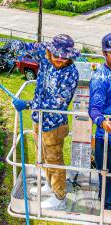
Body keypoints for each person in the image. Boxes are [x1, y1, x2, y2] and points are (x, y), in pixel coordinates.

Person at [12, 34, 80, 210]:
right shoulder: (45, 54)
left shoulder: (70, 74)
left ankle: (60, 198)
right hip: (38, 119)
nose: (59, 59)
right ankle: (49, 185)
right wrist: (17, 44)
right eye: (56, 54)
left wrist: (27, 104)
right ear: (50, 51)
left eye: (64, 56)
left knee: (54, 160)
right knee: (40, 155)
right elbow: (32, 47)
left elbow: (57, 104)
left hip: (54, 124)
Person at [88, 33, 111, 210]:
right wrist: (103, 122)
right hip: (107, 139)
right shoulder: (100, 78)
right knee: (108, 180)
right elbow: (94, 109)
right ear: (104, 53)